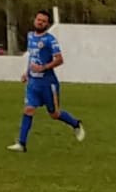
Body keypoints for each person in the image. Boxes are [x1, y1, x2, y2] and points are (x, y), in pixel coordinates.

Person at [7, 10, 85, 152]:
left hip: (48, 84)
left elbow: (59, 59)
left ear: (47, 24)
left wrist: (43, 67)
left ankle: (76, 124)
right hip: (33, 83)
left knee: (54, 114)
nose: (40, 22)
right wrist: (27, 73)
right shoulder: (30, 36)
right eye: (38, 20)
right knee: (28, 109)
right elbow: (32, 58)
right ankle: (22, 144)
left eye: (43, 21)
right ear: (35, 20)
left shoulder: (50, 40)